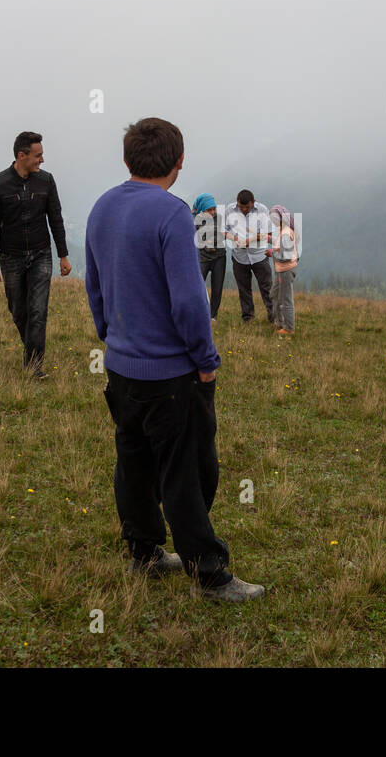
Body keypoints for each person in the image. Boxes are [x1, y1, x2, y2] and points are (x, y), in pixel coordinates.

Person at [85, 117, 264, 602]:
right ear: (179, 163)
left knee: (134, 461)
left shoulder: (102, 207)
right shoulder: (173, 215)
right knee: (187, 470)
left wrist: (110, 333)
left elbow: (94, 282)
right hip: (171, 372)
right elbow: (189, 302)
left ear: (127, 159)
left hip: (120, 366)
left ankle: (143, 552)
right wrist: (205, 359)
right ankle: (209, 574)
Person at [0, 131, 71, 378]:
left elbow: (55, 218)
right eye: (38, 155)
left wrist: (63, 255)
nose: (42, 160)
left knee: (38, 311)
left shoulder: (47, 181)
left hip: (41, 254)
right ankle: (32, 351)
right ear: (21, 155)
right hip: (10, 257)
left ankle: (34, 366)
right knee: (18, 311)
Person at [226, 189, 274, 324]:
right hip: (239, 257)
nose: (244, 210)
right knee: (244, 289)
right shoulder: (230, 209)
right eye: (241, 207)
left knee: (267, 288)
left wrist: (249, 240)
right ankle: (248, 318)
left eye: (247, 207)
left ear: (254, 203)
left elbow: (268, 233)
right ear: (237, 202)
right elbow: (225, 231)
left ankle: (273, 317)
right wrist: (234, 238)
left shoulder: (263, 210)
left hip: (260, 256)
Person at [192, 193, 227, 322]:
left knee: (217, 288)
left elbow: (222, 234)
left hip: (219, 257)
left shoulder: (219, 218)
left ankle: (213, 316)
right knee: (197, 286)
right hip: (203, 258)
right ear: (202, 209)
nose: (212, 212)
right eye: (209, 210)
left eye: (214, 209)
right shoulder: (195, 220)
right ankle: (197, 313)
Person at [267, 204, 299, 335]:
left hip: (285, 270)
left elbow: (285, 256)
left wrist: (271, 253)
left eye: (275, 219)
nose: (273, 221)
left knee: (286, 299)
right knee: (274, 295)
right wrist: (271, 240)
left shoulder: (285, 233)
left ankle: (288, 328)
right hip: (280, 269)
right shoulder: (283, 230)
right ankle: (279, 323)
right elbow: (282, 247)